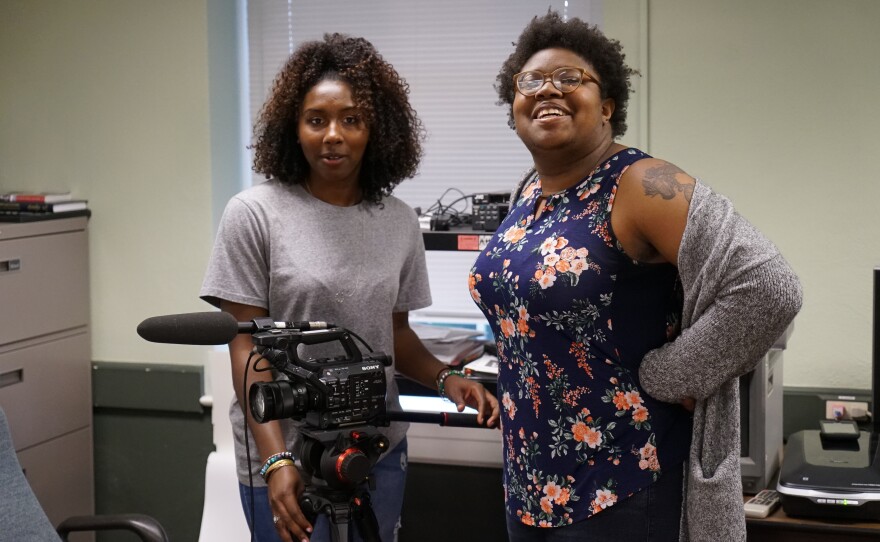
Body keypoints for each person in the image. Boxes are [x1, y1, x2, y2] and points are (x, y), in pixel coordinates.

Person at [468, 11, 802, 542]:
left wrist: (672, 374)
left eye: (571, 77)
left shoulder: (644, 183)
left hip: (621, 485)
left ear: (607, 106)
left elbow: (768, 287)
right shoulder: (529, 191)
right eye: (531, 81)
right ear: (514, 107)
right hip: (530, 487)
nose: (548, 88)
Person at [201, 33, 500, 542]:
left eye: (351, 119)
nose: (333, 135)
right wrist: (275, 460)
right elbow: (246, 348)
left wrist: (448, 379)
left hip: (374, 453)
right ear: (293, 129)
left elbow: (395, 337)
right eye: (316, 119)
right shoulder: (254, 214)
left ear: (374, 130)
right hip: (288, 454)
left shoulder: (398, 221)